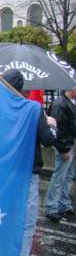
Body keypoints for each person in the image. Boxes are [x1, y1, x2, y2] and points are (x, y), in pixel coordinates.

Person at [0, 69, 56, 256]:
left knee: (4, 220)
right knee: (26, 224)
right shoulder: (33, 108)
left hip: (4, 174)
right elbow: (48, 140)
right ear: (22, 87)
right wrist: (52, 126)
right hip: (26, 174)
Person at [44, 85, 76, 223]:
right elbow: (58, 129)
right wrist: (63, 149)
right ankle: (51, 208)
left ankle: (64, 204)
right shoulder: (60, 103)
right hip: (66, 145)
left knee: (68, 176)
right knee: (59, 177)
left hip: (71, 143)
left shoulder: (69, 102)